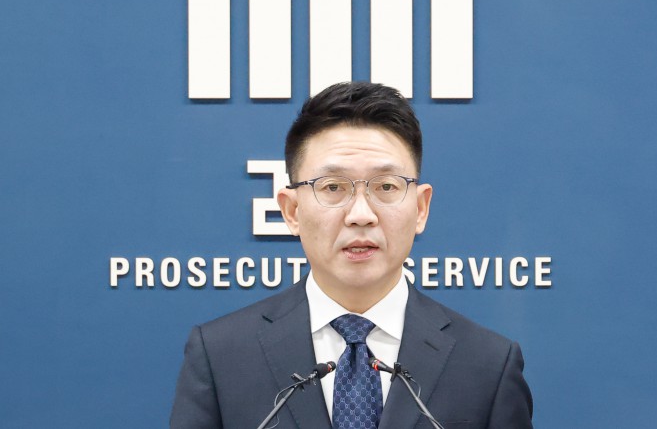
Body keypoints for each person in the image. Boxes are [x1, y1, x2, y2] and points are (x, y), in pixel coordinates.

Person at [170, 82, 533, 429]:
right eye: (333, 187)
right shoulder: (221, 356)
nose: (361, 214)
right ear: (291, 211)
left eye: (386, 186)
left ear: (421, 208)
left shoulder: (488, 365)